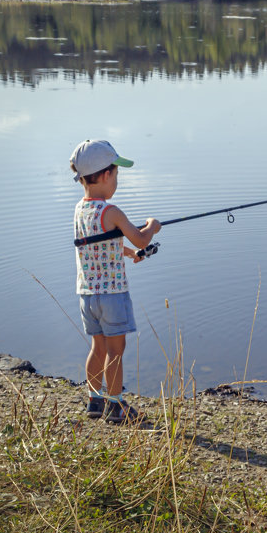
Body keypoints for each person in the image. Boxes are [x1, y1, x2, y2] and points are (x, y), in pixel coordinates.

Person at [70, 139, 160, 425]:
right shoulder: (112, 212)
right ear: (107, 175)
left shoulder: (80, 211)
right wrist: (152, 226)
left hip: (87, 295)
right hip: (112, 295)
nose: (117, 181)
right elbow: (141, 237)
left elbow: (97, 243)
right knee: (116, 352)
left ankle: (94, 400)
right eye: (117, 175)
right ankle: (116, 405)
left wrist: (129, 253)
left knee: (98, 348)